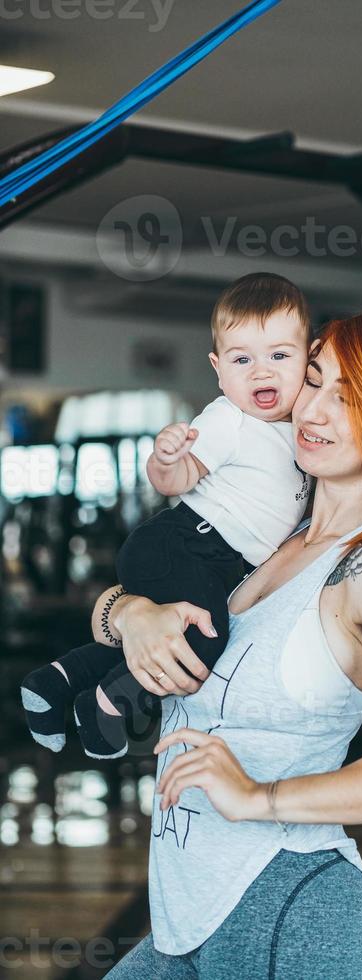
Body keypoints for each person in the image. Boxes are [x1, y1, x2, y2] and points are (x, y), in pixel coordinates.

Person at [97, 308, 362, 979]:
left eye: (350, 397)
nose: (314, 410)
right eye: (314, 380)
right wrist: (128, 612)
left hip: (285, 905)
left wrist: (261, 798)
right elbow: (125, 608)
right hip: (183, 913)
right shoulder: (268, 537)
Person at [20, 272, 312, 759]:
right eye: (243, 360)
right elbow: (175, 482)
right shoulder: (229, 420)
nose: (262, 372)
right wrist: (168, 458)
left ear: (306, 359)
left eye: (280, 356)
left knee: (163, 638)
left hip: (215, 561)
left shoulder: (298, 431)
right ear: (219, 370)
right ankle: (106, 708)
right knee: (202, 639)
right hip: (185, 543)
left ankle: (53, 684)